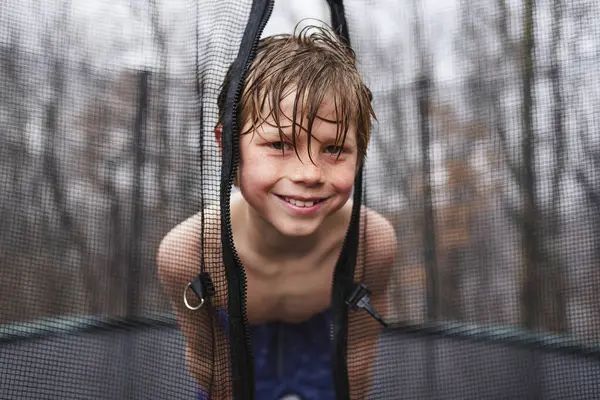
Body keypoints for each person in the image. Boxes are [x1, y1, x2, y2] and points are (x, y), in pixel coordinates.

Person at [157, 23, 397, 400]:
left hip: (324, 346)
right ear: (229, 146)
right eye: (279, 143)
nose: (308, 174)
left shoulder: (369, 242)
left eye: (334, 149)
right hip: (237, 351)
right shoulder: (190, 254)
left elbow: (359, 357)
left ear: (360, 152)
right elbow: (209, 365)